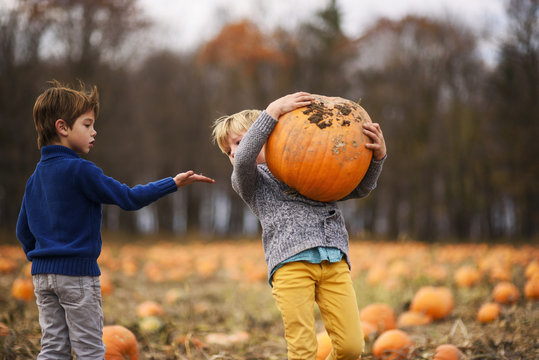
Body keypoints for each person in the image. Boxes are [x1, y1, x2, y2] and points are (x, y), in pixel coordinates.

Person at [16, 80, 215, 359]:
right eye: (87, 125)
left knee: (52, 348)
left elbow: (23, 230)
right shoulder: (82, 171)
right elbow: (129, 198)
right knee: (91, 350)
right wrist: (173, 183)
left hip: (41, 277)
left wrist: (41, 261)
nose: (94, 131)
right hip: (77, 275)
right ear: (62, 127)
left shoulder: (34, 178)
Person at [211, 92, 386, 360]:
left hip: (334, 261)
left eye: (238, 141)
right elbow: (245, 158)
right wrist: (272, 110)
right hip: (291, 266)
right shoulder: (250, 182)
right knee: (303, 350)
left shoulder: (314, 162)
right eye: (228, 151)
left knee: (351, 348)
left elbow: (359, 189)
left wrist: (377, 159)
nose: (234, 151)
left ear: (268, 135)